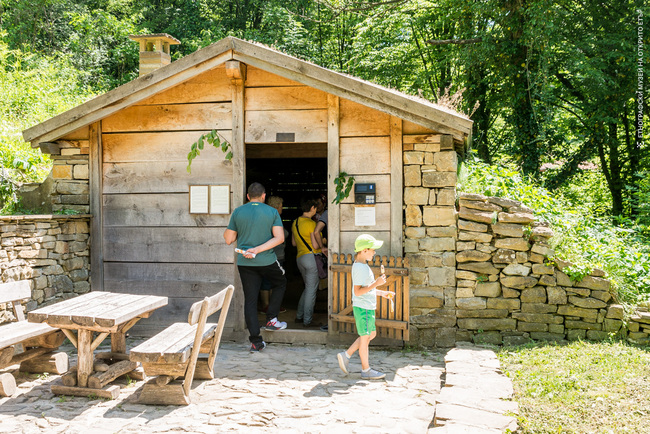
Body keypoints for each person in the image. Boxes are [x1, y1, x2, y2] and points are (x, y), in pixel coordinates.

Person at [224, 182, 287, 352]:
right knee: (280, 283)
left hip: (245, 263)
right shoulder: (272, 212)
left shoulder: (238, 212)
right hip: (266, 260)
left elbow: (228, 239)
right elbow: (279, 238)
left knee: (250, 300)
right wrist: (258, 250)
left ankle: (256, 342)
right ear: (264, 196)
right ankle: (272, 319)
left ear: (247, 196)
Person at [336, 234, 394, 379]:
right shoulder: (361, 268)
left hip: (366, 306)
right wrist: (377, 283)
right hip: (364, 308)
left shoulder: (361, 265)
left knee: (370, 334)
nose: (374, 252)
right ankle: (365, 370)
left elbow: (366, 288)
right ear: (364, 250)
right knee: (365, 337)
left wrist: (382, 292)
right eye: (372, 249)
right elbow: (358, 291)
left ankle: (346, 355)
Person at [291, 198, 321, 328]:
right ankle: (307, 320)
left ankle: (299, 316)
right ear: (313, 208)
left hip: (300, 258)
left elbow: (293, 243)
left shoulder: (295, 222)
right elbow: (315, 244)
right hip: (311, 258)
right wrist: (323, 244)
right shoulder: (311, 224)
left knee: (308, 288)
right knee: (311, 289)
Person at [259, 195, 288, 314]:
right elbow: (281, 234)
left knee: (270, 280)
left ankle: (271, 306)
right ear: (276, 207)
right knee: (270, 281)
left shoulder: (269, 218)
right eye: (281, 206)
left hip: (274, 254)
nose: (282, 208)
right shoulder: (272, 219)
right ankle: (267, 306)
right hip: (273, 254)